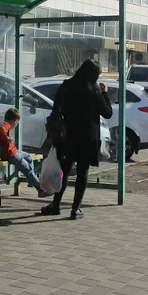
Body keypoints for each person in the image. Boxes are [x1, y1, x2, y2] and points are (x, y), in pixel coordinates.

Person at [39, 60, 113, 220]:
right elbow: (107, 113)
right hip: (87, 137)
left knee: (64, 171)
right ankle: (75, 208)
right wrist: (104, 93)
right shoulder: (93, 91)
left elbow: (55, 108)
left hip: (68, 136)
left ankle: (55, 204)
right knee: (82, 172)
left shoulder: (67, 86)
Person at [0, 108, 42, 195]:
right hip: (10, 154)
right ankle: (40, 188)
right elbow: (0, 130)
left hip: (14, 151)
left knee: (28, 157)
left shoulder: (6, 125)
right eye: (17, 122)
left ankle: (32, 180)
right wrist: (7, 139)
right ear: (15, 121)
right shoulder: (6, 125)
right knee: (26, 168)